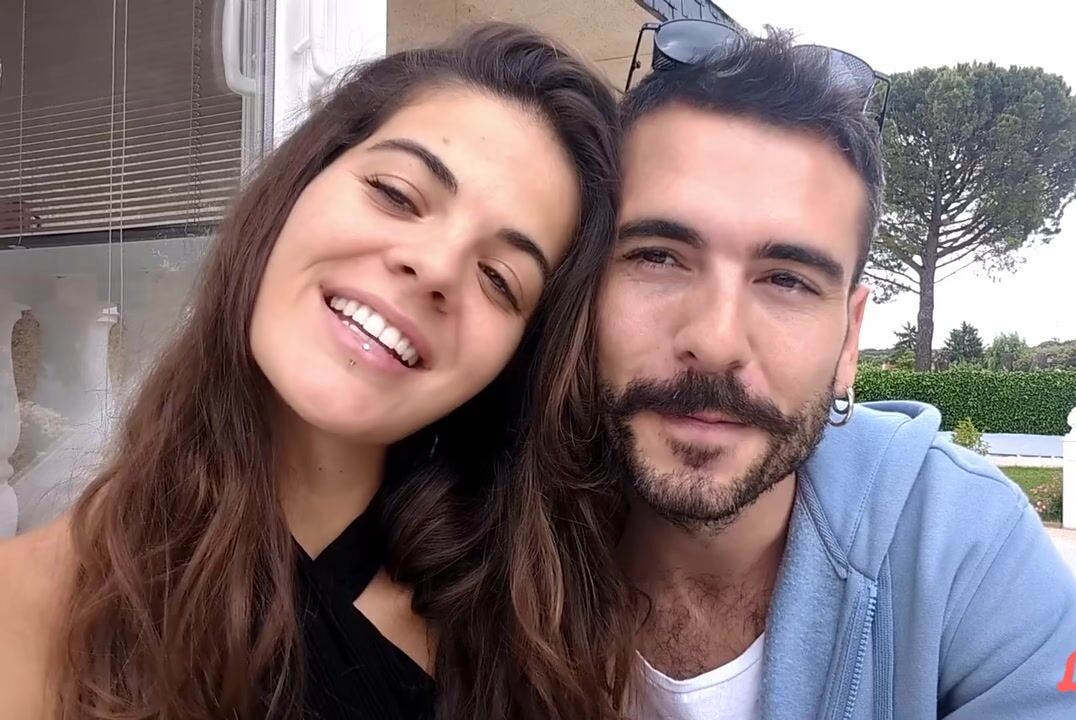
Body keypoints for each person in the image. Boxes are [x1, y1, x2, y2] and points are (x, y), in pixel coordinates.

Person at [0, 23, 632, 720]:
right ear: (296, 187)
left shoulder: (527, 648)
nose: (435, 267)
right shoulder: (28, 618)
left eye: (499, 277)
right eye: (396, 193)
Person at [600, 25, 1076, 718]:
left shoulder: (963, 545)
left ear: (851, 337)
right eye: (658, 257)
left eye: (788, 280)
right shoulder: (486, 513)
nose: (715, 340)